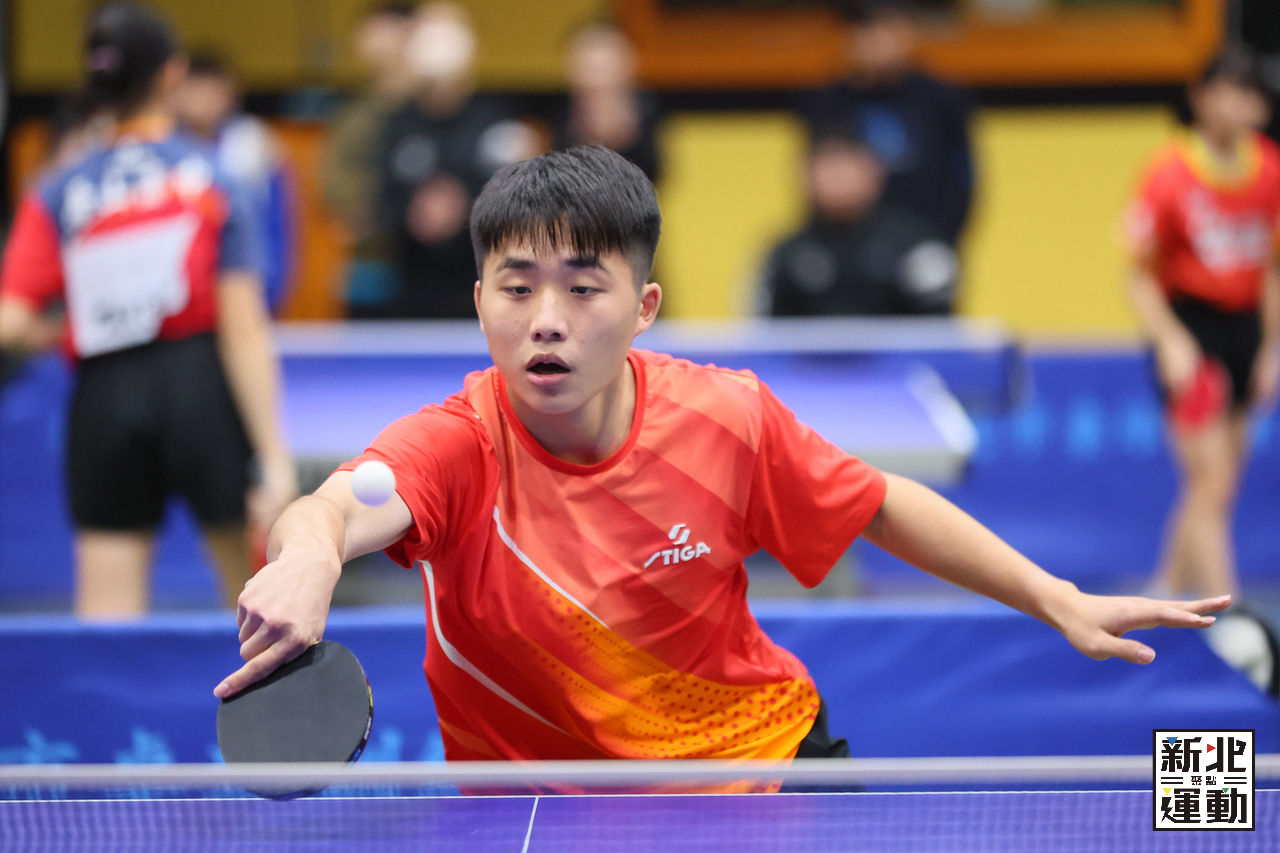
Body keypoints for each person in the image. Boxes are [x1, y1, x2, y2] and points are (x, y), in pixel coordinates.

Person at [216, 146, 1227, 779]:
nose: (547, 320)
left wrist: (1054, 597)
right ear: (479, 302)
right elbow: (335, 506)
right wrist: (308, 558)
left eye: (583, 287)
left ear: (644, 307)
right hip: (545, 805)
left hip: (760, 768)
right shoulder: (457, 446)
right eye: (516, 288)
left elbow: (878, 503)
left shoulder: (725, 418)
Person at [0, 3, 296, 617]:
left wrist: (61, 328)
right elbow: (242, 326)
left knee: (106, 617)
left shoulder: (60, 186)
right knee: (255, 602)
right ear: (172, 74)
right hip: (200, 388)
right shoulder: (213, 176)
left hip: (103, 396)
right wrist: (272, 455)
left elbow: (10, 320)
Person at [1124, 50, 1280, 602]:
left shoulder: (1270, 170)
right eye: (1227, 91)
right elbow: (1136, 275)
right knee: (1210, 481)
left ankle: (1166, 586)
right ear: (1200, 97)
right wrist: (1171, 341)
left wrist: (1271, 349)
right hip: (1190, 332)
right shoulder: (1168, 172)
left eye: (1249, 94)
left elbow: (1271, 271)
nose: (1238, 105)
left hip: (1245, 334)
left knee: (1217, 486)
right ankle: (1226, 616)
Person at [374, 1, 536, 318]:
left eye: (449, 32)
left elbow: (521, 204)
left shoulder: (496, 118)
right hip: (412, 291)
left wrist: (467, 207)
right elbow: (381, 199)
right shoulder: (396, 123)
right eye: (428, 32)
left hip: (483, 292)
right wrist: (413, 210)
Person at [803, 0, 974, 247]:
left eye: (886, 29)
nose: (877, 42)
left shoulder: (941, 98)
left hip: (927, 238)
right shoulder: (828, 101)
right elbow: (816, 180)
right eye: (866, 30)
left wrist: (945, 242)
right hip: (847, 246)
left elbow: (961, 178)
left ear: (908, 33)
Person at [758, 131, 956, 316]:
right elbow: (765, 329)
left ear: (873, 173)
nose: (836, 179)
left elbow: (937, 325)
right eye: (827, 168)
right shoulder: (786, 253)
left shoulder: (917, 245)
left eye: (845, 167)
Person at [175, 52, 297, 315]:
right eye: (195, 89)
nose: (203, 100)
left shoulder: (256, 145)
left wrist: (269, 293)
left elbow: (278, 228)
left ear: (230, 93)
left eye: (212, 90)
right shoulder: (160, 150)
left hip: (246, 294)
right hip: (179, 302)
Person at [319, 1, 418, 320]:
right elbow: (334, 190)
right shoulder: (355, 116)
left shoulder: (439, 110)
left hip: (437, 273)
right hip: (370, 267)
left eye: (386, 27)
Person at [554, 19, 660, 183]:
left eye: (606, 66)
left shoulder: (652, 115)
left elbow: (652, 175)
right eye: (589, 65)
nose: (597, 77)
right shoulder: (556, 120)